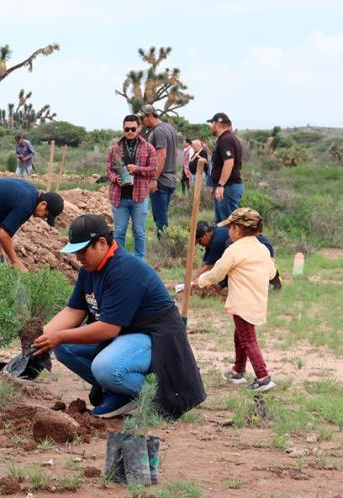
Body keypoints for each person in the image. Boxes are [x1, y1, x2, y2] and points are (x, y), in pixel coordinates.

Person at [31, 214, 206, 418]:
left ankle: (162, 395)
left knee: (106, 367)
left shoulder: (125, 270)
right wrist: (39, 340)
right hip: (124, 336)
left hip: (155, 338)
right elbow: (74, 311)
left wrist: (60, 335)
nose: (78, 258)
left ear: (102, 243)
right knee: (62, 347)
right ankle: (120, 393)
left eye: (81, 251)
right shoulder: (89, 270)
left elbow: (108, 328)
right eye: (75, 253)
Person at [194, 208, 277, 392]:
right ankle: (238, 370)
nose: (228, 232)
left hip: (241, 301)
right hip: (257, 299)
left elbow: (217, 273)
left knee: (248, 338)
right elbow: (271, 272)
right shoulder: (262, 249)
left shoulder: (234, 250)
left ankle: (263, 377)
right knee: (240, 334)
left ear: (238, 229)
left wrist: (199, 281)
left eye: (230, 227)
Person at [105, 114, 157, 259]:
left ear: (139, 128)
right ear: (123, 128)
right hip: (119, 197)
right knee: (119, 231)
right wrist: (116, 179)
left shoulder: (148, 148)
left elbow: (153, 170)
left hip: (139, 197)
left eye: (133, 129)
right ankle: (119, 261)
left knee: (139, 232)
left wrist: (138, 169)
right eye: (127, 129)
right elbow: (108, 171)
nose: (130, 132)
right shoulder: (114, 149)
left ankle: (140, 262)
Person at [193, 220, 282, 288]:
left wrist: (192, 283)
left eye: (199, 241)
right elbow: (205, 264)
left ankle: (274, 277)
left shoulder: (217, 240)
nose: (200, 244)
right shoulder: (211, 240)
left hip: (262, 247)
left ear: (205, 235)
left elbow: (209, 267)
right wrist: (193, 280)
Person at [141, 105, 178, 237]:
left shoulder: (159, 131)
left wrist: (154, 178)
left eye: (143, 118)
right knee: (163, 215)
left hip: (161, 180)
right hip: (171, 179)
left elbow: (162, 155)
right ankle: (167, 244)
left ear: (150, 116)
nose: (142, 121)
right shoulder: (170, 128)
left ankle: (164, 247)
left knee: (160, 218)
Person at [208, 112, 244, 223]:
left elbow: (229, 162)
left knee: (228, 224)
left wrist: (220, 185)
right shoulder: (227, 138)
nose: (211, 127)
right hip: (226, 187)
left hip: (228, 187)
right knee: (221, 223)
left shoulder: (226, 139)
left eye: (212, 123)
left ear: (217, 123)